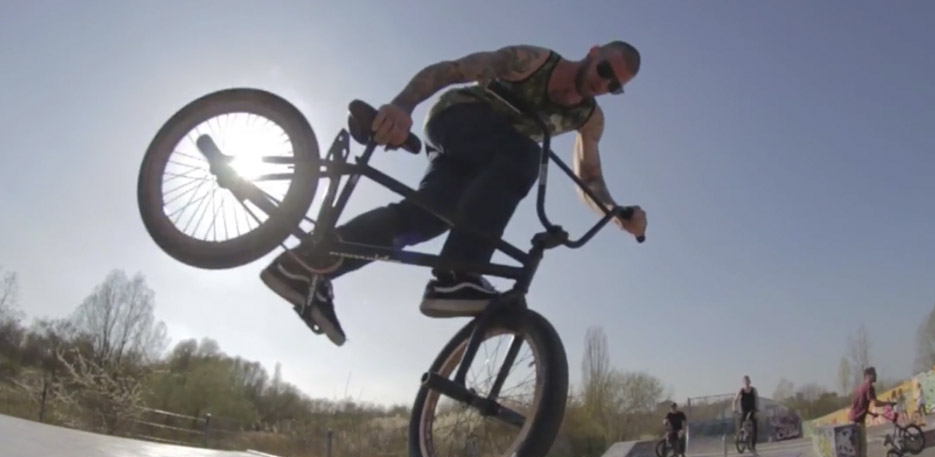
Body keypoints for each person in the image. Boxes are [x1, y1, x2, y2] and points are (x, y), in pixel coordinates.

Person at [258, 42, 648, 346]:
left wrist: (614, 211)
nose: (602, 84)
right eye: (604, 71)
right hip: (456, 121)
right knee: (523, 154)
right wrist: (401, 106)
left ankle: (302, 266)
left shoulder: (589, 117)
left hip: (486, 160)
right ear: (593, 53)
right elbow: (451, 70)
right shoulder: (531, 60)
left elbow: (589, 175)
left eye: (614, 86)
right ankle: (457, 274)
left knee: (427, 218)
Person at [848, 366, 895, 457]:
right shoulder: (869, 387)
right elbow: (875, 403)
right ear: (868, 376)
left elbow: (858, 406)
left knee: (856, 447)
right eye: (874, 374)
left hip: (852, 419)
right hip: (858, 421)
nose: (876, 376)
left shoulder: (859, 387)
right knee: (863, 446)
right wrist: (888, 403)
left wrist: (870, 413)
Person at [731, 375, 759, 451]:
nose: (746, 383)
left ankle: (753, 445)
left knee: (755, 428)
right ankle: (741, 438)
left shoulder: (753, 390)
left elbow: (757, 400)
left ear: (749, 382)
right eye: (745, 382)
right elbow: (735, 399)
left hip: (752, 410)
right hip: (744, 411)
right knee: (741, 425)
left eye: (747, 381)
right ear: (743, 383)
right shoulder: (741, 390)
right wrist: (734, 407)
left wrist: (757, 410)